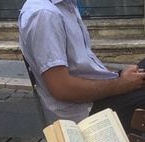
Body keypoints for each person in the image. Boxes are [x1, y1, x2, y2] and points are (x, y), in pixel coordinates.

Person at [18, 0, 145, 132]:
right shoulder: (44, 15)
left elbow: (84, 67)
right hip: (85, 111)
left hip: (92, 97)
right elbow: (62, 89)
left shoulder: (66, 6)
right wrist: (121, 84)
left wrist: (119, 76)